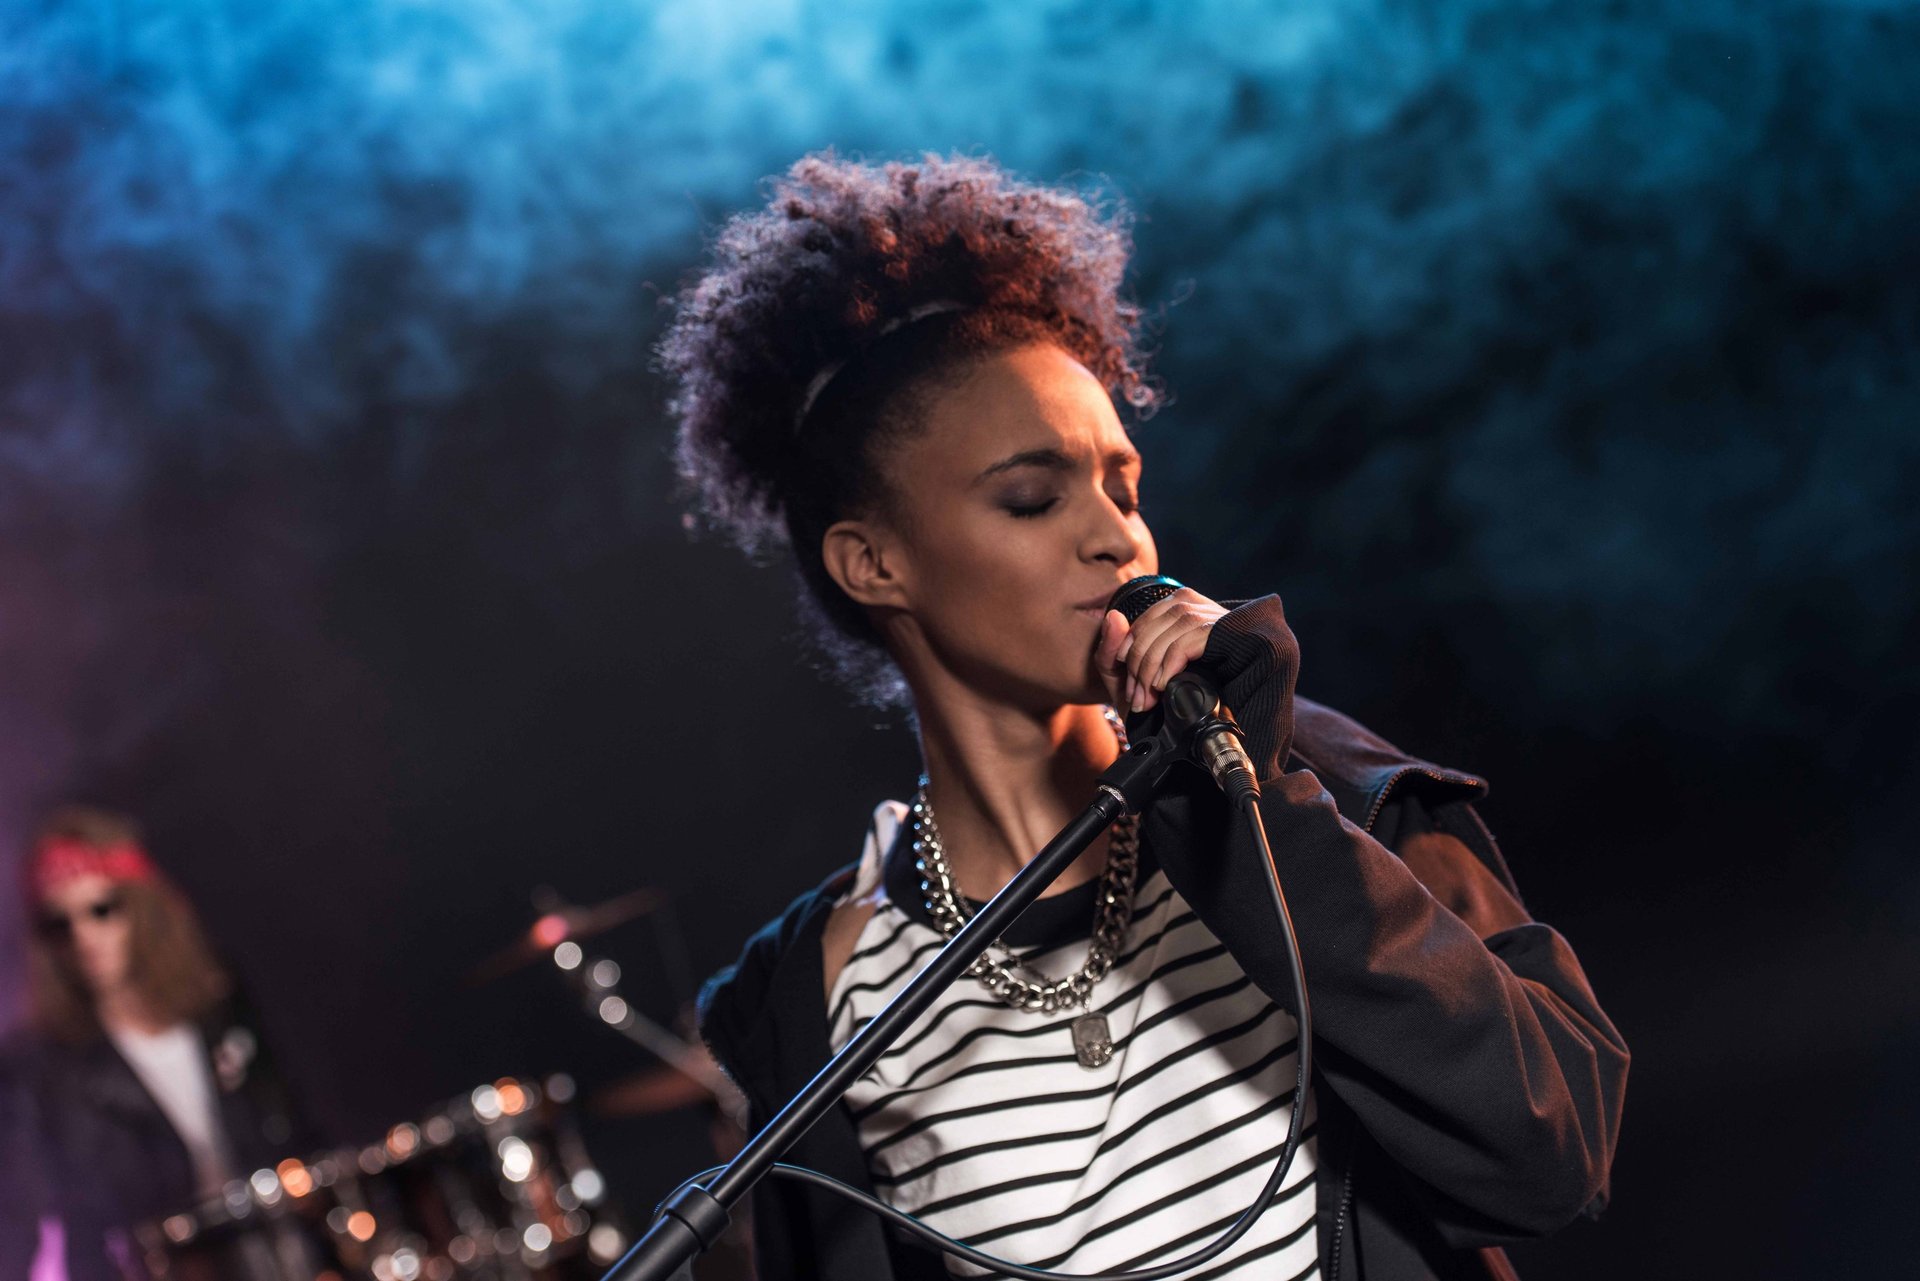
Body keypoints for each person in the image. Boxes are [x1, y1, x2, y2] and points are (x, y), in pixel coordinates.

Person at [664, 151, 1628, 1281]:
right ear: (872, 562)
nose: (1117, 537)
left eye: (1122, 487)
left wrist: (1260, 814)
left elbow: (1552, 1158)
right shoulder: (817, 1001)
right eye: (1032, 498)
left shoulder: (1316, 789)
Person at [0, 805, 311, 1281]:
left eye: (102, 909)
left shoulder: (219, 1007)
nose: (84, 936)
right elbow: (29, 1218)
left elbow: (295, 1131)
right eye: (60, 924)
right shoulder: (43, 1072)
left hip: (285, 1253)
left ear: (139, 906)